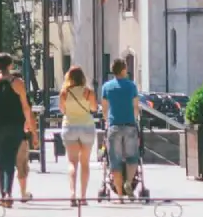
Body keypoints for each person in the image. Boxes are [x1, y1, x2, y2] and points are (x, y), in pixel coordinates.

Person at [0, 52, 37, 208]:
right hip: (15, 125)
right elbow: (25, 106)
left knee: (1, 160)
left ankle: (4, 194)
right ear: (10, 65)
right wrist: (28, 124)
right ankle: (7, 193)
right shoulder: (18, 83)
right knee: (10, 159)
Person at [99, 59, 141, 200]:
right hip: (129, 125)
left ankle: (120, 196)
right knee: (132, 157)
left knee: (114, 160)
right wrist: (134, 119)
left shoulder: (107, 87)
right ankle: (128, 182)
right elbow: (136, 106)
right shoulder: (131, 86)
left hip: (114, 126)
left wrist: (107, 120)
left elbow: (104, 108)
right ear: (123, 70)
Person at [59, 66, 98, 206]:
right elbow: (94, 108)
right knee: (85, 163)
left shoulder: (64, 93)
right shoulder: (88, 92)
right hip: (86, 127)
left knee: (72, 162)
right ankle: (83, 197)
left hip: (69, 126)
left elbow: (62, 110)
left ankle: (72, 193)